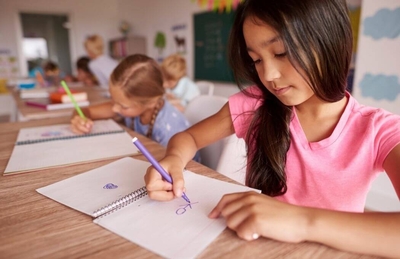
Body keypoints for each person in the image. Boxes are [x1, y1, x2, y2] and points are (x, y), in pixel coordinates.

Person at [143, 0, 400, 258]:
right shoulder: (257, 105)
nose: (269, 75)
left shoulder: (379, 130)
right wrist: (174, 159)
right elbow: (188, 136)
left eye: (280, 53)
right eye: (256, 59)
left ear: (329, 40)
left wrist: (299, 222)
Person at [70, 54, 198, 152]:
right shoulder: (127, 103)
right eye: (113, 99)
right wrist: (79, 118)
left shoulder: (168, 128)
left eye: (122, 106)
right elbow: (85, 111)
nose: (114, 108)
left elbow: (177, 170)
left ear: (150, 103)